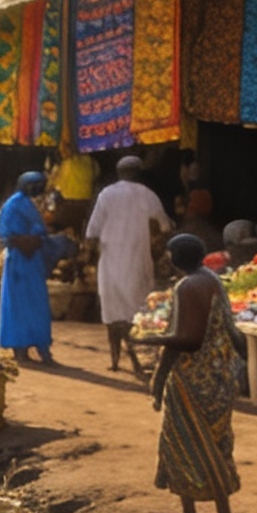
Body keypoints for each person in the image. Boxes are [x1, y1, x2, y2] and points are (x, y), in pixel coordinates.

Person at [147, 233, 242, 513]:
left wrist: (155, 357)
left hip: (193, 375)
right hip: (220, 373)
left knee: (181, 442)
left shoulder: (186, 286)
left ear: (177, 259)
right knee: (215, 444)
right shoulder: (212, 279)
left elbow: (185, 340)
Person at [84, 156, 171, 373]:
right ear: (138, 172)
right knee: (137, 312)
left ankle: (115, 359)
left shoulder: (106, 194)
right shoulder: (147, 195)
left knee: (112, 313)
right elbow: (165, 226)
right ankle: (137, 361)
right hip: (137, 262)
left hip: (110, 262)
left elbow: (92, 232)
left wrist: (89, 257)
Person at [0, 169, 55, 366]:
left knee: (37, 304)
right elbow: (5, 234)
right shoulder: (15, 204)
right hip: (19, 261)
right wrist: (26, 241)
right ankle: (20, 350)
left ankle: (42, 349)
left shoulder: (25, 203)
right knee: (19, 306)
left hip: (32, 261)